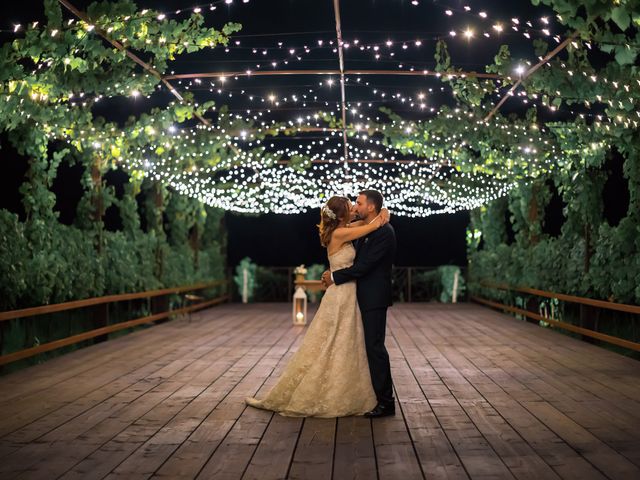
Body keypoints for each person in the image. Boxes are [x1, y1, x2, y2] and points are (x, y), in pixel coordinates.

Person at [245, 195, 389, 417]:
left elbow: (366, 224)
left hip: (348, 292)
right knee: (332, 339)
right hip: (341, 294)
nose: (354, 209)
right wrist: (381, 218)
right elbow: (370, 227)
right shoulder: (340, 233)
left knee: (344, 340)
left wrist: (382, 212)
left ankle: (345, 386)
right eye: (351, 207)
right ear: (342, 215)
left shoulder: (345, 227)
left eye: (356, 205)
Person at [322, 190, 397, 418]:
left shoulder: (383, 232)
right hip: (357, 296)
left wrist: (335, 276)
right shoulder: (366, 226)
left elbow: (365, 266)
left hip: (373, 297)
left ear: (371, 207)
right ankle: (372, 397)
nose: (356, 206)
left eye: (359, 203)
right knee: (364, 347)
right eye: (354, 203)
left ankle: (386, 403)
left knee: (375, 348)